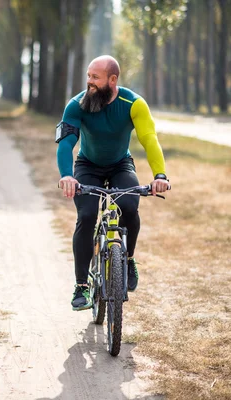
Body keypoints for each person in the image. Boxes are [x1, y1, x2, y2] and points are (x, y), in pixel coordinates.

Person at [55, 55, 170, 311]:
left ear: (112, 80)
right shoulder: (77, 105)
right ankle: (82, 286)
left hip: (120, 164)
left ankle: (128, 259)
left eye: (95, 77)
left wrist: (159, 175)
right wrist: (66, 175)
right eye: (88, 76)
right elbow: (66, 143)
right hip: (87, 165)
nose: (89, 82)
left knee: (130, 207)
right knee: (86, 216)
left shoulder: (134, 103)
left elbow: (149, 139)